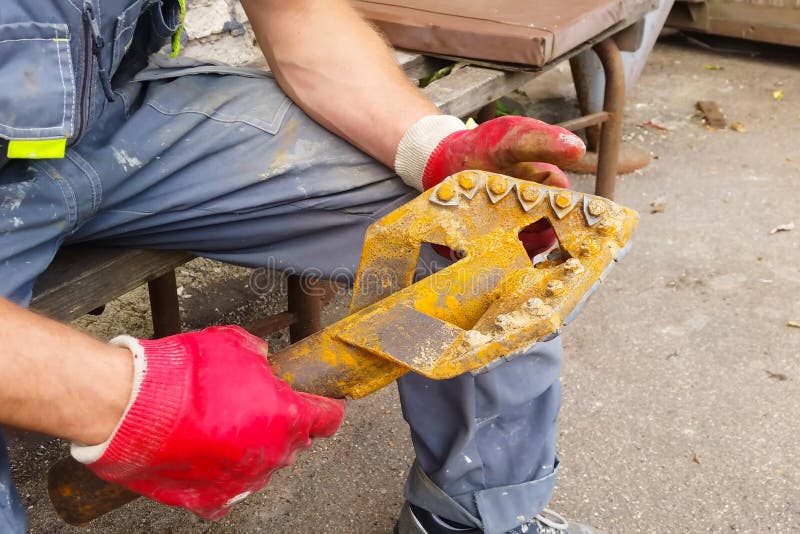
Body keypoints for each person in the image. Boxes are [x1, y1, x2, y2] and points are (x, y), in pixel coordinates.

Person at [0, 1, 598, 532]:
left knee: (476, 235)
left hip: (114, 115)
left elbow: (296, 13)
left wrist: (433, 150)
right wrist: (116, 396)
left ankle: (475, 514)